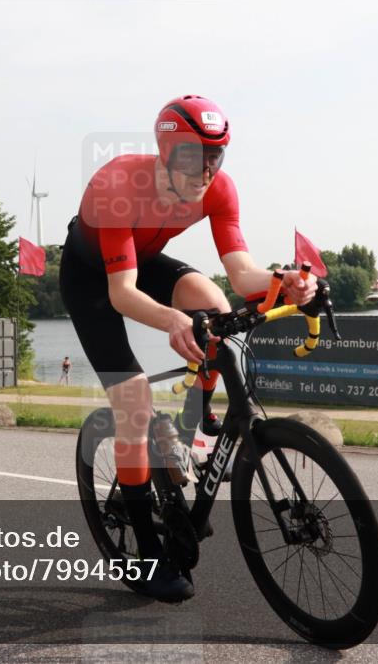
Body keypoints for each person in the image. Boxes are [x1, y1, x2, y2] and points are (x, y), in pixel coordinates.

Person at [59, 95, 316, 602]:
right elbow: (121, 293)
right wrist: (172, 320)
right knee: (133, 400)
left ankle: (192, 425)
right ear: (166, 152)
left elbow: (241, 274)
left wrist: (285, 280)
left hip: (143, 259)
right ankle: (149, 552)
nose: (206, 171)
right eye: (194, 158)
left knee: (216, 307)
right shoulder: (116, 185)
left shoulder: (220, 189)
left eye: (215, 157)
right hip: (92, 280)